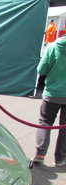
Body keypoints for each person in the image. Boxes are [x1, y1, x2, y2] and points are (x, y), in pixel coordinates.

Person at [33, 35, 66, 167]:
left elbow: (41, 70)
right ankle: (60, 158)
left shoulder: (52, 47)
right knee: (64, 127)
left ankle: (40, 153)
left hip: (52, 93)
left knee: (45, 122)